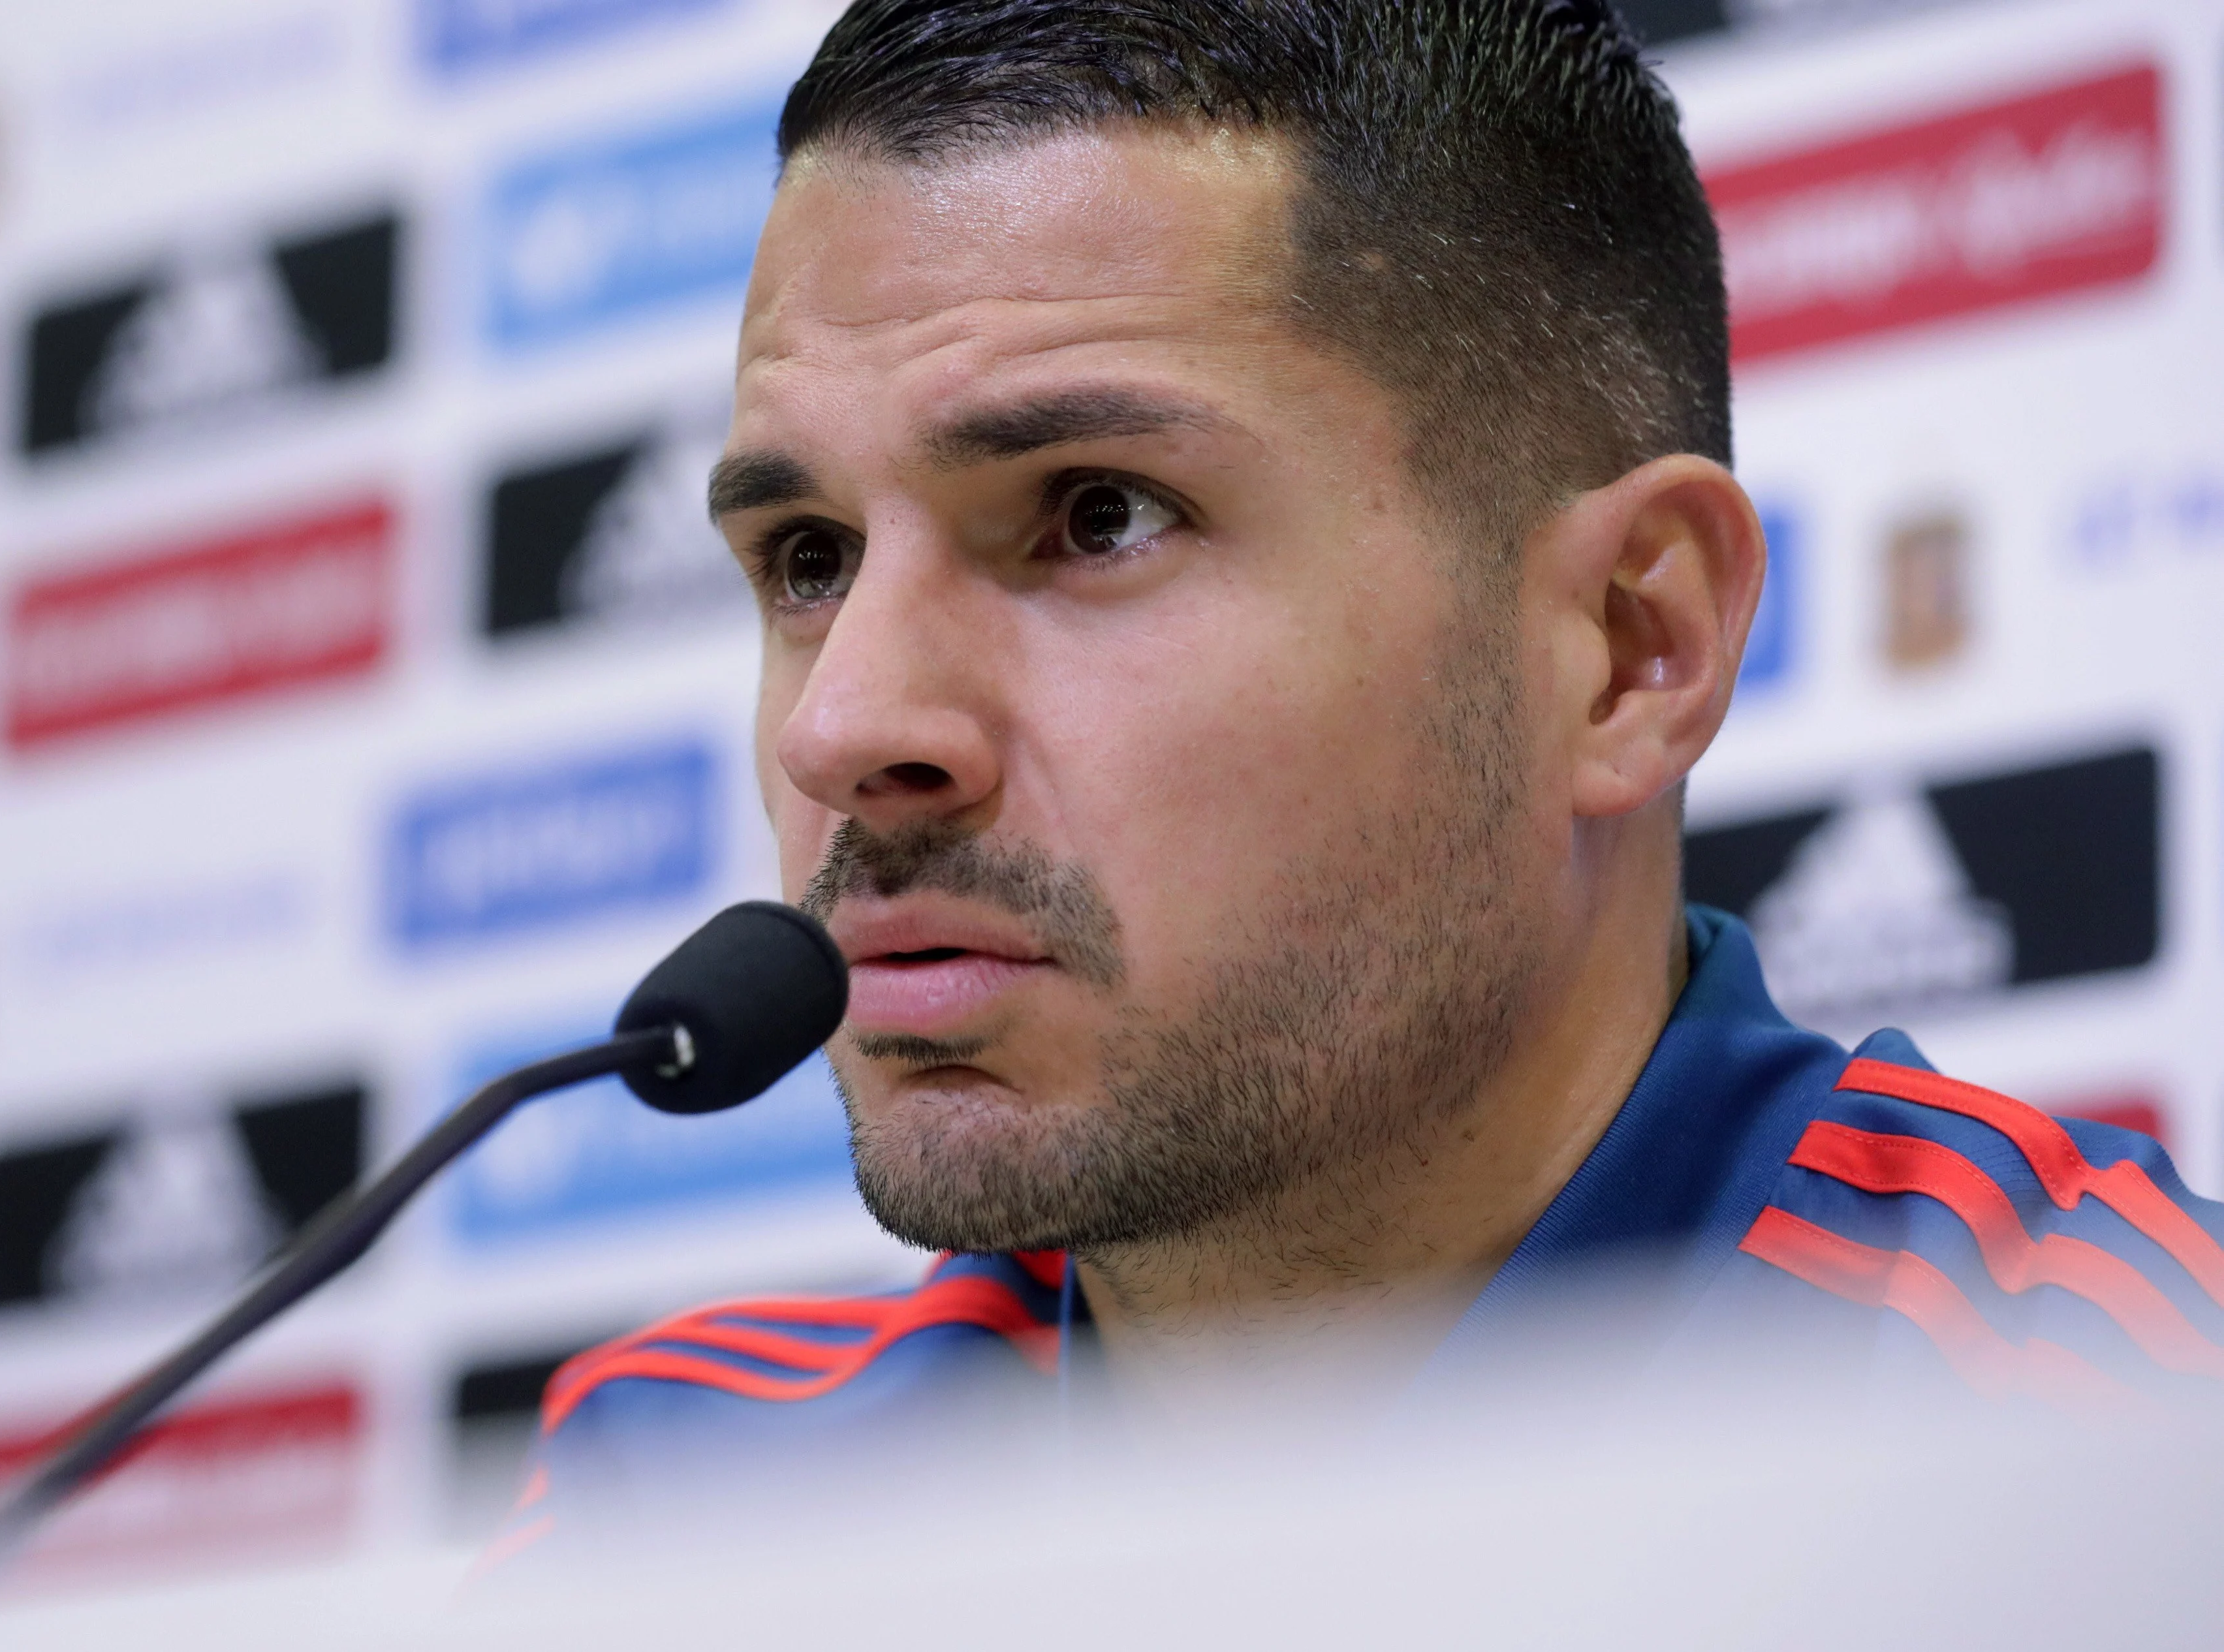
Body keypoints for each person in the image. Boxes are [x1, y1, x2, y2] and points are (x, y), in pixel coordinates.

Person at [487, 0, 2224, 1565]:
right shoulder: (681, 1510)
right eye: (805, 557)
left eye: (1099, 514)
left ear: (1631, 648)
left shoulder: (2124, 1450)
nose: (843, 728)